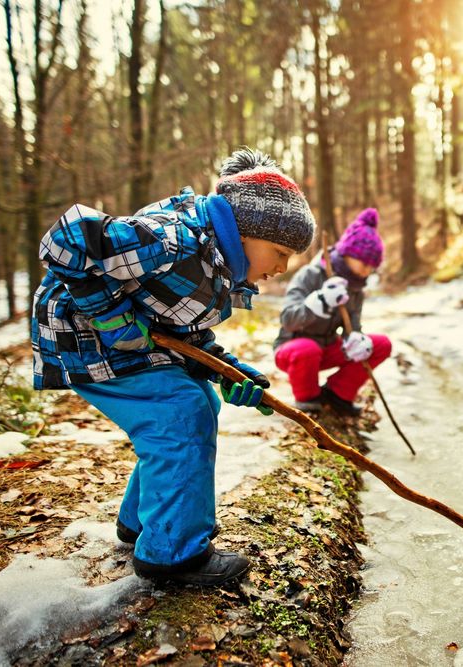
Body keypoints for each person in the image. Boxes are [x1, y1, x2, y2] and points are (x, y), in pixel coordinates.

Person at [31, 149, 315, 586]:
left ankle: (143, 523)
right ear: (242, 231)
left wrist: (228, 370)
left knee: (197, 401)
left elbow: (183, 330)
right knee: (180, 413)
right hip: (82, 335)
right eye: (279, 252)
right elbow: (65, 238)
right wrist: (109, 315)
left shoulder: (216, 263)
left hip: (132, 338)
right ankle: (172, 555)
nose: (282, 268)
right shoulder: (173, 239)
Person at [274, 208, 393, 416]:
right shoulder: (310, 275)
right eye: (364, 263)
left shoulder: (356, 289)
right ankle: (308, 398)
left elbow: (352, 327)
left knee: (381, 344)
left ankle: (338, 394)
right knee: (307, 349)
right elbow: (288, 319)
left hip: (328, 347)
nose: (367, 270)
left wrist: (356, 338)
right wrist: (318, 302)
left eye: (372, 266)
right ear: (348, 253)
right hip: (294, 350)